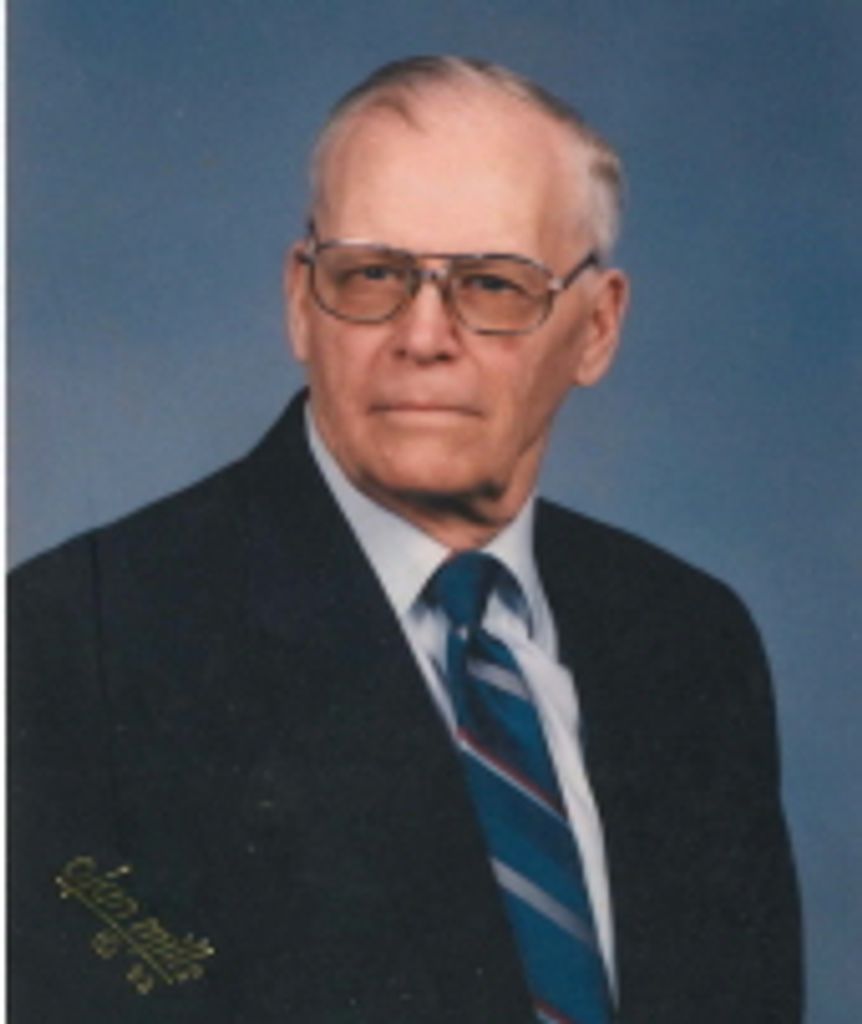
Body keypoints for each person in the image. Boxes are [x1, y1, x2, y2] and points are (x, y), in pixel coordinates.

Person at [8, 56, 802, 1023]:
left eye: (494, 284)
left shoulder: (691, 639)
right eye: (373, 274)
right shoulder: (69, 648)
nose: (423, 336)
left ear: (597, 328)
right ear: (301, 301)